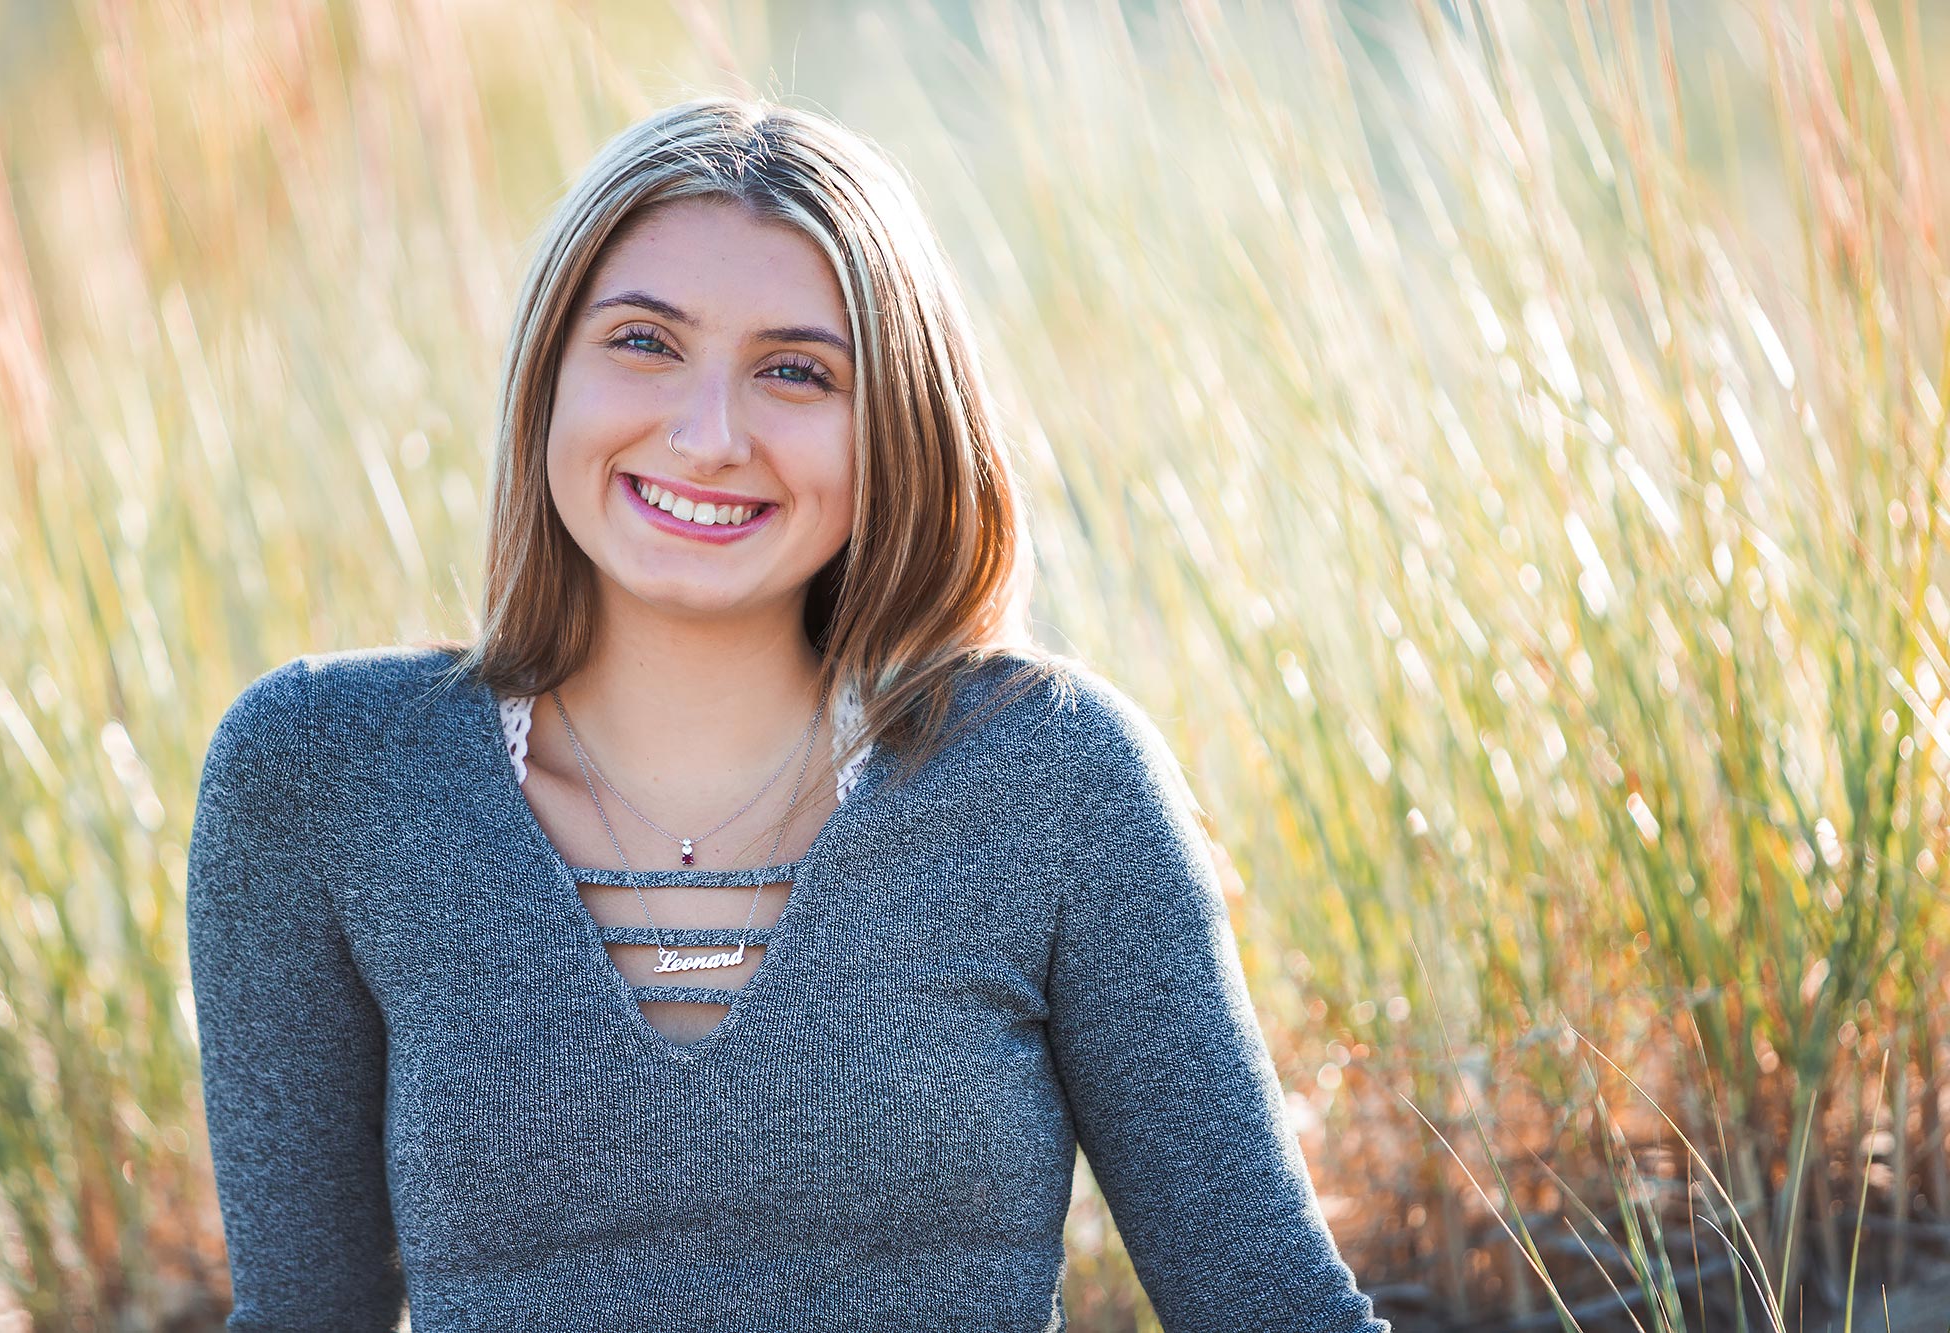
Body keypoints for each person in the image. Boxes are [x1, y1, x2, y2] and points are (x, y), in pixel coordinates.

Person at [185, 96, 1389, 1332]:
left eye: (796, 371)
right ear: (547, 373)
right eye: (644, 343)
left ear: (899, 429)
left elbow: (1274, 1308)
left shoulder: (1054, 779)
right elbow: (300, 1316)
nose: (708, 436)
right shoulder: (326, 772)